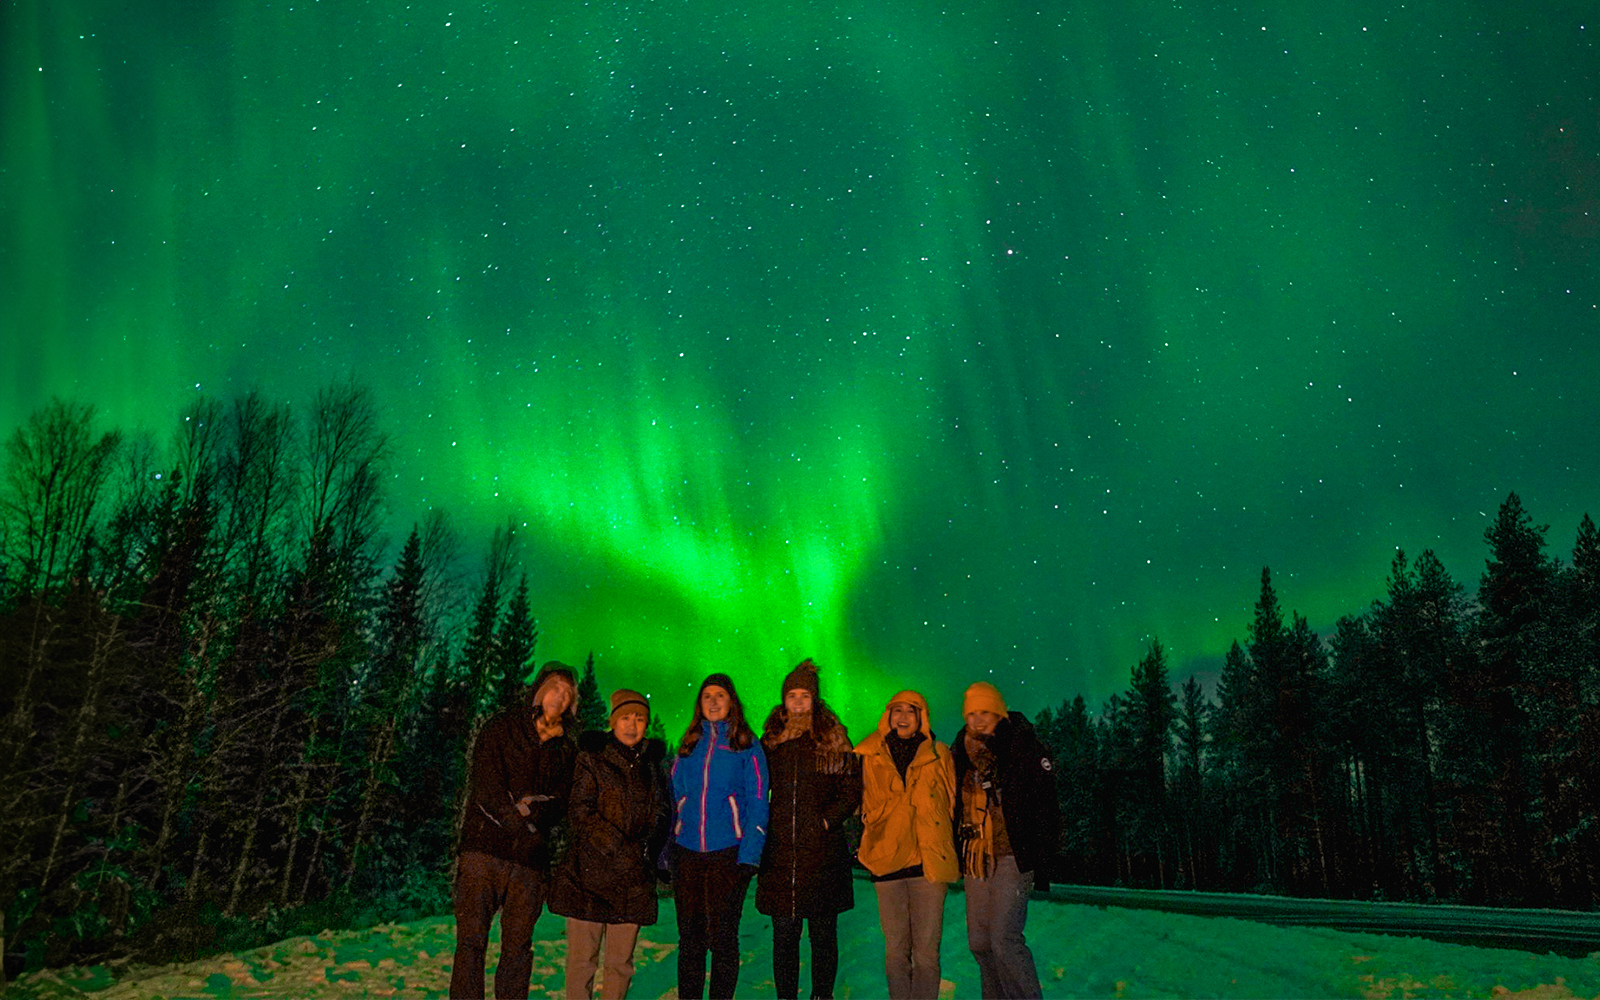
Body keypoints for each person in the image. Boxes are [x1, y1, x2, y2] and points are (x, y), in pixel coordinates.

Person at [451, 663, 580, 1000]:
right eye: (555, 687)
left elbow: (562, 800)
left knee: (518, 949)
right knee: (470, 941)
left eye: (568, 693)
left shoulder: (567, 749)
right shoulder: (502, 727)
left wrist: (532, 810)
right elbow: (487, 786)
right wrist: (518, 822)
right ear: (538, 690)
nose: (560, 696)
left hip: (529, 862)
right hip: (484, 850)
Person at [549, 688, 673, 999]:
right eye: (626, 718)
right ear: (612, 721)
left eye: (640, 719)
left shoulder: (653, 765)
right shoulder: (591, 757)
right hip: (587, 877)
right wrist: (619, 849)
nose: (632, 725)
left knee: (620, 964)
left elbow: (661, 810)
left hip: (633, 881)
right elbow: (581, 810)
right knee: (581, 962)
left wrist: (647, 846)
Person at [756, 660, 861, 1000]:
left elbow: (851, 790)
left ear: (815, 699)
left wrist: (827, 821)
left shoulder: (833, 737)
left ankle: (822, 995)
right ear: (783, 700)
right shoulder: (772, 741)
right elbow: (756, 786)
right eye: (792, 695)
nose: (798, 702)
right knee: (784, 934)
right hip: (782, 852)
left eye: (805, 695)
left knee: (822, 934)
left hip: (823, 853)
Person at [951, 681, 1060, 1000]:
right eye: (972, 713)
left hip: (1014, 854)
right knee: (980, 943)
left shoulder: (1024, 747)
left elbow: (1046, 805)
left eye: (985, 711)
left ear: (998, 711)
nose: (978, 719)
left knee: (1004, 939)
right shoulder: (960, 751)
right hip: (976, 856)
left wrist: (1043, 856)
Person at [670, 673, 769, 1000]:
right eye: (707, 696)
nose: (713, 702)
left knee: (723, 938)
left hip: (727, 852)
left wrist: (750, 853)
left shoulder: (746, 745)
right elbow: (675, 795)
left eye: (720, 696)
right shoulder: (689, 743)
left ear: (732, 702)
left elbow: (757, 800)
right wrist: (670, 845)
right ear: (699, 704)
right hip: (687, 853)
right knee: (690, 939)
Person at [854, 690, 958, 1000]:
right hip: (887, 864)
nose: (902, 717)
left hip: (928, 865)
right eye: (896, 710)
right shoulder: (869, 755)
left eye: (910, 711)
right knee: (896, 951)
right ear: (887, 716)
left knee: (927, 953)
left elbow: (952, 803)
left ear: (921, 717)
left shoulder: (940, 754)